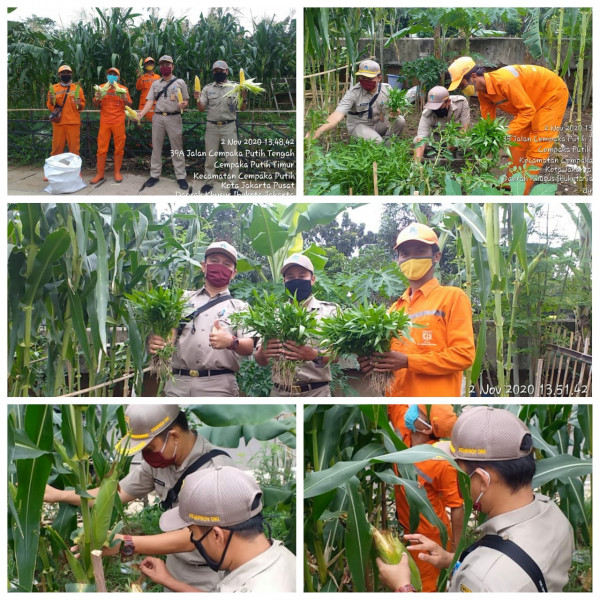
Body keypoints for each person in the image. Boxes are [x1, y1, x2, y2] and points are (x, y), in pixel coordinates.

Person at [376, 406, 574, 592]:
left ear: (482, 480)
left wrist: (403, 587)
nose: (456, 479)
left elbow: (489, 577)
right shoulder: (557, 518)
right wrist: (451, 559)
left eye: (458, 471)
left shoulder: (479, 580)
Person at [43, 404, 233, 591]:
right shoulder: (158, 463)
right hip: (173, 566)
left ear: (173, 436)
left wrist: (125, 543)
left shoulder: (216, 470)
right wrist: (59, 495)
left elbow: (194, 537)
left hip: (208, 575)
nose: (146, 455)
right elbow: (114, 494)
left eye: (149, 447)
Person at [358, 223, 475, 396]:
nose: (411, 259)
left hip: (433, 412)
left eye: (420, 251)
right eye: (405, 254)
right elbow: (387, 359)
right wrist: (372, 362)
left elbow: (463, 355)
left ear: (436, 256)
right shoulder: (394, 310)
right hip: (397, 410)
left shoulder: (453, 298)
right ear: (398, 260)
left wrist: (408, 362)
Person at [140, 465, 296, 592]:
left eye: (193, 533)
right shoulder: (283, 556)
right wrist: (168, 580)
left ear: (217, 535)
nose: (194, 540)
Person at [447, 56, 569, 194]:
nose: (463, 90)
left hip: (551, 94)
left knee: (538, 147)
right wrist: (486, 141)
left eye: (462, 85)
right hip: (529, 102)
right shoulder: (483, 93)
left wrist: (503, 134)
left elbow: (527, 111)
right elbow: (488, 121)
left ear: (474, 76)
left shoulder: (505, 81)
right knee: (516, 143)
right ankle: (509, 187)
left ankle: (520, 194)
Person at [148, 241, 254, 397]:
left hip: (219, 386)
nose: (220, 267)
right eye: (214, 261)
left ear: (233, 273)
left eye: (226, 264)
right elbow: (167, 334)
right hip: (178, 383)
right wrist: (155, 342)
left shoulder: (240, 307)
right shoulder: (181, 299)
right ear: (204, 266)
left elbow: (250, 347)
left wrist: (231, 342)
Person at [388, 404, 464, 592]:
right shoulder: (404, 431)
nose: (412, 407)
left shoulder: (440, 463)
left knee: (426, 587)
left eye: (420, 410)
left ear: (427, 428)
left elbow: (457, 507)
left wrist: (455, 553)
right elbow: (393, 403)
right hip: (409, 529)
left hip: (430, 538)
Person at [254, 253, 338, 397]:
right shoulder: (274, 315)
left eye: (302, 276)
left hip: (316, 394)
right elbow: (261, 360)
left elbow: (336, 355)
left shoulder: (330, 311)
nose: (296, 280)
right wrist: (262, 352)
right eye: (291, 277)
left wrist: (313, 355)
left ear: (312, 279)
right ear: (284, 281)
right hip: (280, 394)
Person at [309, 60, 406, 144]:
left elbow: (394, 109)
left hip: (377, 124)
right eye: (362, 77)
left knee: (400, 120)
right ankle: (376, 143)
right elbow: (337, 115)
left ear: (379, 78)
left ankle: (387, 147)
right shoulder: (353, 93)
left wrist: (396, 111)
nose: (365, 81)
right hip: (359, 126)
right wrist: (317, 132)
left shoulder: (386, 88)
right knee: (376, 141)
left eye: (369, 78)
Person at [194, 60, 246, 196]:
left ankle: (233, 186)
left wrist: (244, 98)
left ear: (226, 72)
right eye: (216, 71)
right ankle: (208, 183)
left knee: (232, 158)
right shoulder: (207, 89)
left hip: (229, 127)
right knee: (210, 158)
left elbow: (242, 108)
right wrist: (197, 99)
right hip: (212, 127)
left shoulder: (235, 87)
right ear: (213, 73)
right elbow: (201, 109)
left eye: (221, 71)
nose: (218, 73)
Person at [138, 55, 189, 190]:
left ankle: (181, 176)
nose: (164, 67)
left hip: (174, 117)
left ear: (172, 66)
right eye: (162, 65)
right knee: (156, 147)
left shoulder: (180, 82)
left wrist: (185, 104)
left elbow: (186, 101)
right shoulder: (156, 83)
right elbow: (149, 101)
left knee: (177, 148)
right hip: (158, 117)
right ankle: (154, 175)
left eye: (167, 64)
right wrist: (142, 114)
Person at [90, 67, 132, 184]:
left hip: (119, 122)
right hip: (105, 122)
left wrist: (124, 99)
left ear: (118, 77)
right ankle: (100, 174)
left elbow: (130, 104)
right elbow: (95, 104)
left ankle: (117, 173)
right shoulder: (101, 88)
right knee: (101, 149)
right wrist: (98, 97)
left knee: (119, 148)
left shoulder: (123, 89)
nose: (112, 75)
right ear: (107, 76)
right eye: (110, 74)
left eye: (115, 74)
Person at [45, 65, 86, 178]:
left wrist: (79, 104)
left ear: (71, 74)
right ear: (59, 75)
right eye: (63, 73)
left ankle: (77, 172)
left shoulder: (77, 88)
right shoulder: (53, 88)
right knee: (57, 148)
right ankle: (52, 172)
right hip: (59, 123)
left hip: (73, 122)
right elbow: (50, 105)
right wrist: (52, 102)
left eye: (68, 73)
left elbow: (82, 106)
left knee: (74, 150)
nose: (66, 75)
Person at [414, 85, 470, 162]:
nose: (435, 109)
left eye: (438, 106)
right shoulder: (427, 113)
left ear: (448, 102)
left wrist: (455, 141)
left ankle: (459, 157)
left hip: (456, 137)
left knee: (469, 144)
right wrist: (416, 165)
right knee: (416, 141)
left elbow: (464, 128)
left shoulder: (461, 103)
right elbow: (421, 140)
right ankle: (436, 155)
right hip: (438, 138)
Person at [136, 57, 160, 121]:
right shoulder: (142, 77)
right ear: (145, 66)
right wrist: (138, 77)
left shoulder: (158, 77)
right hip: (143, 103)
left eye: (151, 64)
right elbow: (138, 88)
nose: (149, 65)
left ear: (154, 65)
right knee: (140, 121)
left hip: (154, 104)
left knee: (151, 121)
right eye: (147, 64)